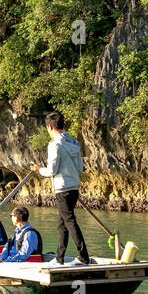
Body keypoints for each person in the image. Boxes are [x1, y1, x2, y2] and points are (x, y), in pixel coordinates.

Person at [30, 111, 89, 265]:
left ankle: (83, 257)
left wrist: (38, 169)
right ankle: (59, 257)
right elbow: (80, 168)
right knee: (62, 223)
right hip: (74, 187)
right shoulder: (75, 143)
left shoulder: (54, 145)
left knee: (69, 222)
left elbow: (51, 171)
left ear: (49, 127)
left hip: (62, 188)